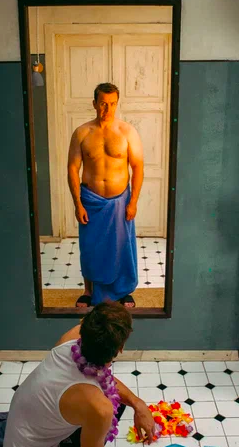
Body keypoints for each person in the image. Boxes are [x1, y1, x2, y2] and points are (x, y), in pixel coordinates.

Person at [3, 302, 155, 447]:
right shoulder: (100, 408)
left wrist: (138, 404)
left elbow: (103, 377)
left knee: (115, 401)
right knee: (108, 412)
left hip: (25, 427)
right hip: (27, 442)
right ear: (120, 348)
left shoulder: (72, 337)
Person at [68, 83, 144, 308]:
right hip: (91, 201)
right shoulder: (82, 133)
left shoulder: (127, 132)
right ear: (94, 104)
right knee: (90, 247)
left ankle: (123, 291)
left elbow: (138, 167)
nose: (107, 109)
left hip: (120, 199)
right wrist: (78, 204)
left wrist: (133, 201)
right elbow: (72, 169)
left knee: (121, 245)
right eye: (103, 103)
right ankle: (88, 291)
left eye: (112, 104)